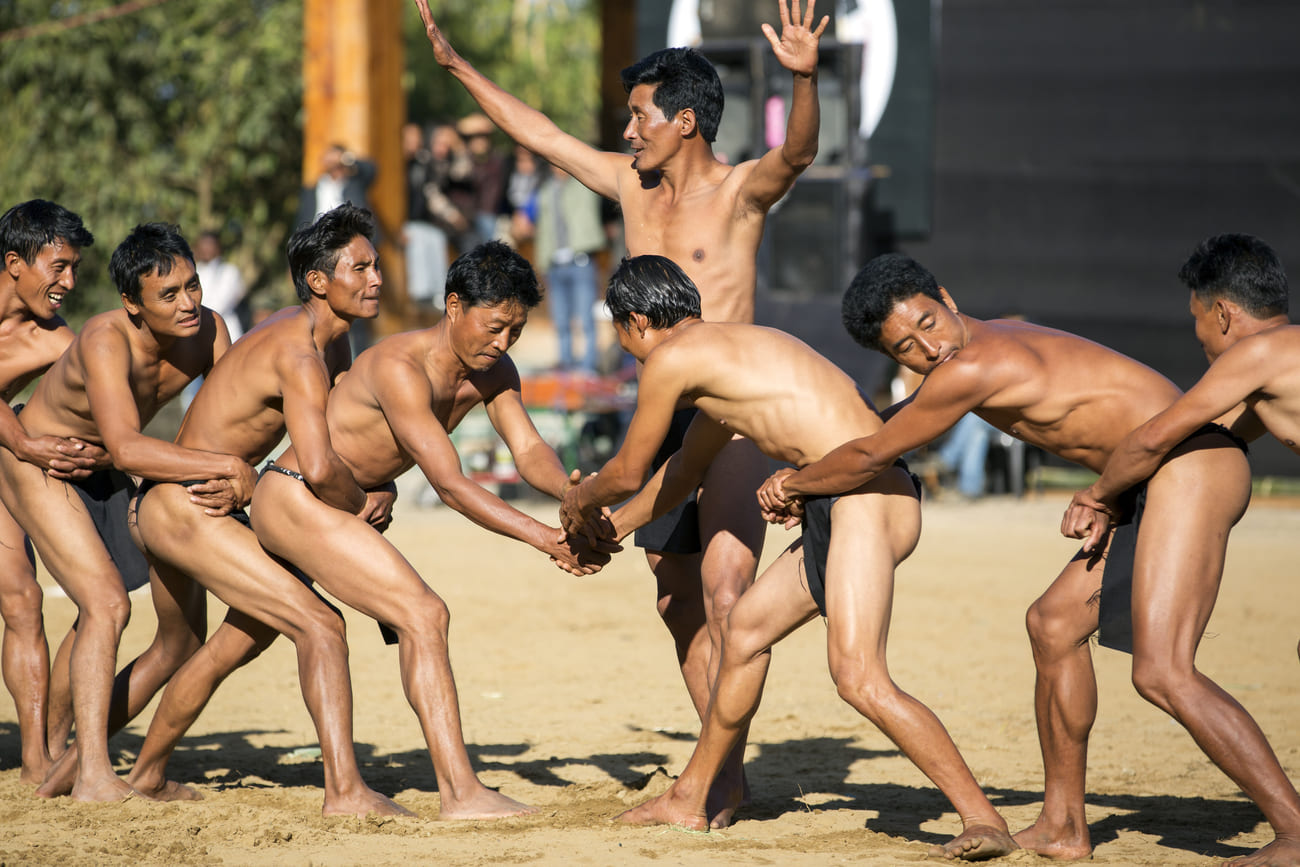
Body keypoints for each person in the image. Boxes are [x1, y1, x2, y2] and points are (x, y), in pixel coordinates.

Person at [414, 0, 827, 824]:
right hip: (659, 412)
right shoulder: (628, 186)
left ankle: (710, 777)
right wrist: (460, 69)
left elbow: (800, 152)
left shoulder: (741, 192)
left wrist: (804, 77)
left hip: (734, 419)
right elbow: (541, 135)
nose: (627, 130)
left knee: (724, 588)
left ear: (683, 119)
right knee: (678, 601)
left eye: (639, 115)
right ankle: (727, 770)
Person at [756, 253, 1300, 865]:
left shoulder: (976, 364)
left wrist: (794, 484)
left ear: (945, 296)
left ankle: (1293, 828)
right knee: (1054, 624)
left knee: (1164, 672)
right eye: (905, 347)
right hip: (1155, 477)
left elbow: (868, 456)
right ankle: (1064, 825)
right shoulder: (977, 349)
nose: (926, 349)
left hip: (1187, 468)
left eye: (928, 324)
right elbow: (898, 422)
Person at [558, 256, 1016, 860]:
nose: (629, 349)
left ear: (637, 322)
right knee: (744, 630)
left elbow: (626, 469)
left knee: (859, 678)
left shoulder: (672, 359)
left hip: (866, 498)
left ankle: (984, 819)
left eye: (622, 335)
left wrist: (578, 502)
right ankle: (690, 798)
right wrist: (610, 529)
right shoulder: (731, 358)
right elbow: (681, 474)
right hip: (850, 500)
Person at [247, 241, 612, 819]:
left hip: (335, 506)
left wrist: (571, 496)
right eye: (493, 328)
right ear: (452, 307)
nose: (503, 344)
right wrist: (548, 538)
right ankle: (459, 793)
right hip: (296, 494)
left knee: (217, 650)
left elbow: (528, 449)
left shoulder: (495, 370)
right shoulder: (400, 366)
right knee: (424, 614)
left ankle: (114, 766)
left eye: (515, 332)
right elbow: (450, 485)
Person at [115, 204, 407, 817]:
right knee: (321, 627)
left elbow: (347, 439)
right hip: (184, 504)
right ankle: (346, 792)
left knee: (226, 643)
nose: (377, 278)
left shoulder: (331, 336)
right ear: (320, 282)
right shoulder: (300, 351)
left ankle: (135, 772)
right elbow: (322, 468)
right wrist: (356, 507)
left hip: (190, 503)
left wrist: (381, 491)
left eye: (376, 264)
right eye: (361, 267)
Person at [0, 223, 255, 801]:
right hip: (42, 464)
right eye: (169, 295)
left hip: (106, 467)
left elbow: (238, 411)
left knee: (169, 630)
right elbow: (128, 446)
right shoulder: (103, 337)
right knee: (105, 602)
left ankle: (56, 760)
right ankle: (92, 773)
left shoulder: (211, 329)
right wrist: (224, 468)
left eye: (193, 286)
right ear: (132, 303)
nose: (189, 302)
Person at [0, 200, 105, 785]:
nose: (68, 282)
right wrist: (22, 442)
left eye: (75, 268)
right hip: (8, 450)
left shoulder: (51, 338)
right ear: (15, 262)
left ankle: (36, 757)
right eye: (58, 267)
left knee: (23, 602)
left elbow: (102, 385)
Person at [534, 166, 606, 373]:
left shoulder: (584, 184)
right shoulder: (546, 190)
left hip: (580, 259)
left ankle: (587, 368)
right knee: (561, 321)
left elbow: (595, 158)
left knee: (585, 320)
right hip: (554, 264)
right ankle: (565, 367)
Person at [402, 122, 450, 307]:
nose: (415, 143)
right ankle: (421, 292)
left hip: (422, 221)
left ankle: (439, 292)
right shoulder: (396, 166)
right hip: (406, 223)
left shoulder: (421, 164)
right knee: (417, 239)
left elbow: (433, 190)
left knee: (437, 238)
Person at [295, 144, 378, 230]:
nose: (334, 164)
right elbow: (302, 220)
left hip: (350, 234)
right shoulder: (311, 190)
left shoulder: (355, 185)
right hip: (318, 237)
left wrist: (345, 158)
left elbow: (371, 169)